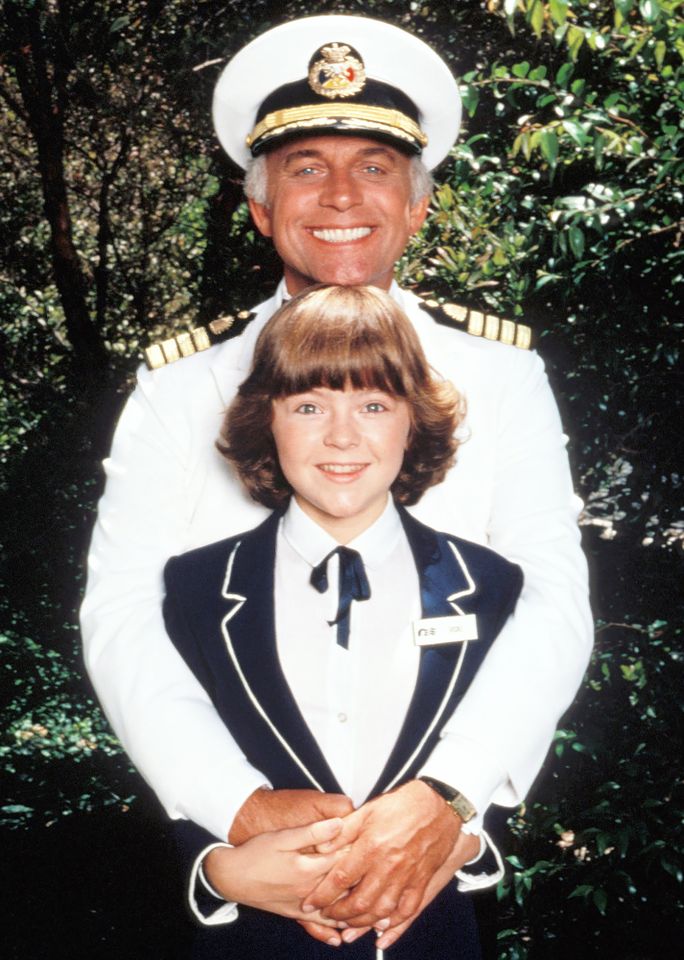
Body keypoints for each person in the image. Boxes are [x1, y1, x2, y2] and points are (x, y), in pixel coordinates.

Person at [80, 13, 592, 952]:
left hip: (433, 881)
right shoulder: (180, 387)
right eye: (307, 166)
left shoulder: (501, 375)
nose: (343, 195)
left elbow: (553, 603)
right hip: (256, 882)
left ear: (418, 204)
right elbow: (122, 616)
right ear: (261, 206)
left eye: (376, 167)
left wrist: (451, 796)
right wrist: (237, 806)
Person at [162, 284, 523, 959]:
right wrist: (216, 871)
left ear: (413, 421)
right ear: (265, 420)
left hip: (430, 940)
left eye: (374, 405)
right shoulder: (195, 588)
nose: (342, 435)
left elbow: (510, 748)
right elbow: (166, 763)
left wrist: (465, 839)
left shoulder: (490, 586)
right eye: (308, 405)